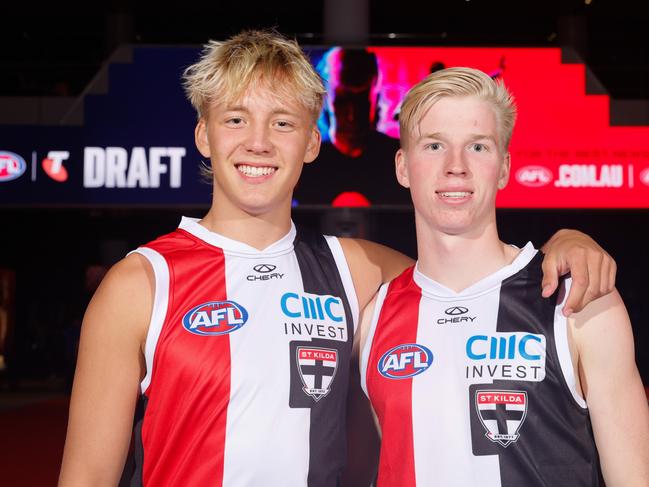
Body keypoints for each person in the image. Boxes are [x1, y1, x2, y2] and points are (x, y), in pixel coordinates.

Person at [58, 31, 616, 487]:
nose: (258, 142)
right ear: (203, 135)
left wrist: (567, 241)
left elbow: (472, 276)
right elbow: (86, 476)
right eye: (234, 119)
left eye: (282, 122)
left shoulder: (353, 270)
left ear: (310, 143)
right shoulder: (141, 282)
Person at [359, 67, 649, 486]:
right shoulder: (372, 320)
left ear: (505, 167)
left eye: (477, 146)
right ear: (403, 167)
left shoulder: (578, 303)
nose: (455, 166)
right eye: (434, 145)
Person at [295, 47, 409, 205]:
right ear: (325, 99)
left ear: (375, 96)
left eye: (361, 102)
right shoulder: (301, 162)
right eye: (341, 102)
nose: (351, 116)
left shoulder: (400, 159)